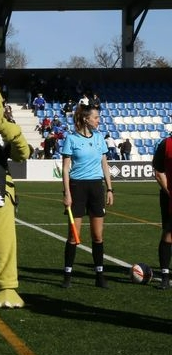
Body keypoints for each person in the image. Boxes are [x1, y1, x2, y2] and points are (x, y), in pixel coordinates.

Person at [61, 104, 114, 289]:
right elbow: (66, 169)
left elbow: (105, 165)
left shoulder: (100, 138)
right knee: (74, 235)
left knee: (97, 235)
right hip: (77, 188)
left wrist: (109, 189)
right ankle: (67, 274)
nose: (99, 120)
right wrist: (67, 193)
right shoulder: (71, 139)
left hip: (96, 187)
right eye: (96, 117)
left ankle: (99, 275)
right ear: (86, 119)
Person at [152, 136, 172, 290]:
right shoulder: (166, 144)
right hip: (168, 197)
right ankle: (165, 276)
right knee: (168, 234)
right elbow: (159, 172)